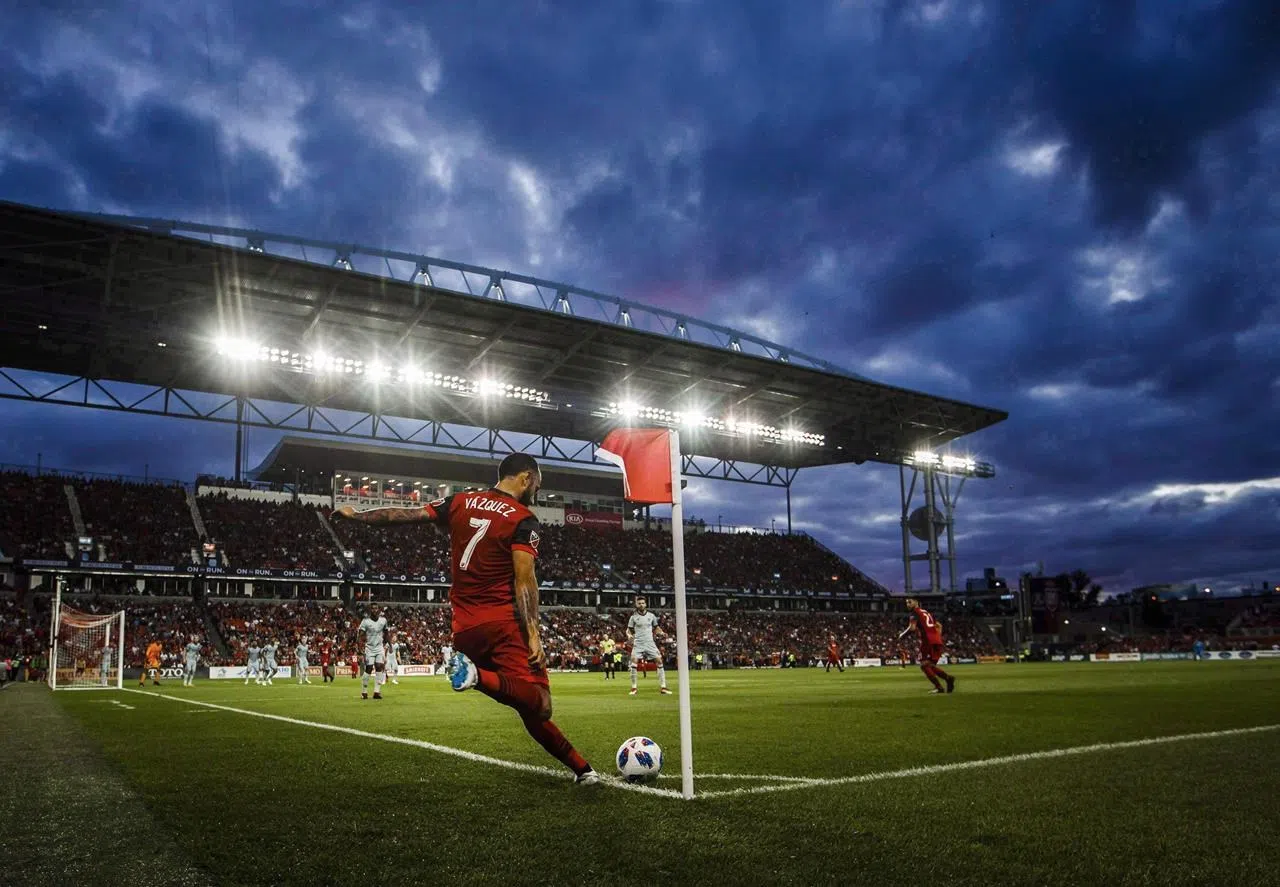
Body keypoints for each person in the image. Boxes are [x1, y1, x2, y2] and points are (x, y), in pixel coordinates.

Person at [335, 453, 598, 784]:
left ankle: (582, 770)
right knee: (541, 704)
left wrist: (358, 515)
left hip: (464, 629)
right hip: (504, 624)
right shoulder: (522, 518)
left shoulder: (459, 501)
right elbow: (524, 579)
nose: (538, 492)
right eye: (538, 485)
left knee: (523, 703)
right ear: (526, 478)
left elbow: (407, 515)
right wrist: (533, 632)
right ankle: (476, 676)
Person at [898, 598, 955, 694]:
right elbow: (938, 625)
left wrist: (902, 635)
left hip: (928, 641)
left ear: (916, 602)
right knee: (930, 666)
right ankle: (948, 679)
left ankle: (939, 687)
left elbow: (912, 628)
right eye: (906, 602)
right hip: (936, 640)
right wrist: (937, 636)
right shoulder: (926, 612)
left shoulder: (914, 613)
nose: (908, 604)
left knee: (924, 666)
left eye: (910, 602)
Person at [627, 596, 671, 697]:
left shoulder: (651, 616)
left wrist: (662, 633)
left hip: (650, 643)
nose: (641, 605)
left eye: (643, 603)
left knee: (659, 661)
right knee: (633, 661)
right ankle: (634, 688)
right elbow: (629, 630)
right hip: (638, 643)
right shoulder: (633, 617)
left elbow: (656, 628)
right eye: (639, 603)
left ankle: (663, 687)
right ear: (637, 605)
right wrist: (629, 636)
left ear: (645, 604)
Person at [356, 606, 389, 700]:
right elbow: (360, 634)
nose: (374, 610)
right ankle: (364, 692)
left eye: (376, 608)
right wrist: (358, 646)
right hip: (369, 648)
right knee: (369, 668)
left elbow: (386, 633)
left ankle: (376, 692)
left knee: (379, 667)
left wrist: (390, 645)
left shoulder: (383, 620)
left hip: (379, 648)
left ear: (378, 610)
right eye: (373, 608)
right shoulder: (365, 621)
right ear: (370, 610)